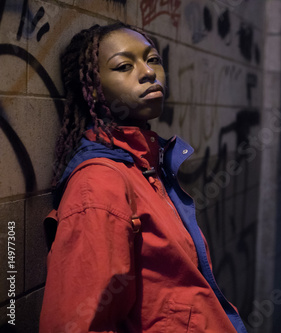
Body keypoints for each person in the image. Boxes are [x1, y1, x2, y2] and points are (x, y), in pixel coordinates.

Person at [39, 22, 247, 333]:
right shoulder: (98, 184)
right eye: (124, 66)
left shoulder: (147, 164)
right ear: (93, 88)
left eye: (152, 59)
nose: (149, 73)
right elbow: (79, 323)